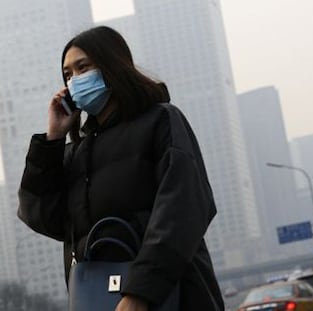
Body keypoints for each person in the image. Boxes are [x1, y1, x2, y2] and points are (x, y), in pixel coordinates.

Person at [17, 26, 225, 311]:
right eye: (68, 74)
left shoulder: (161, 121)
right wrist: (52, 141)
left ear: (111, 66)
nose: (75, 80)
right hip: (98, 299)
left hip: (170, 297)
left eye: (83, 67)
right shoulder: (77, 152)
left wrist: (140, 292)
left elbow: (183, 210)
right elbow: (43, 216)